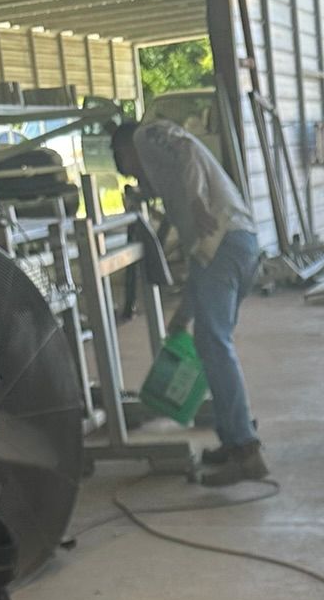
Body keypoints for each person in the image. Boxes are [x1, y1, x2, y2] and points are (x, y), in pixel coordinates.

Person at [111, 117, 271, 488]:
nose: (135, 177)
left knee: (214, 343)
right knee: (209, 345)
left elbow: (185, 148)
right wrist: (182, 314)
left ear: (125, 150)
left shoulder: (145, 135)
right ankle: (233, 440)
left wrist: (197, 197)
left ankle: (247, 451)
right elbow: (198, 256)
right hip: (231, 245)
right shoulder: (169, 182)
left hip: (223, 241)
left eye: (129, 168)